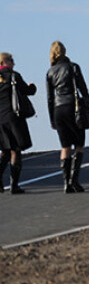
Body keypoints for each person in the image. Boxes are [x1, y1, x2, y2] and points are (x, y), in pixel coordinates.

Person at [46, 41, 89, 193]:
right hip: (74, 107)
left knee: (65, 146)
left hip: (58, 109)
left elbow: (49, 97)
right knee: (79, 144)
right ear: (64, 51)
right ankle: (74, 180)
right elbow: (82, 87)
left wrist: (51, 118)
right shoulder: (73, 67)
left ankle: (66, 183)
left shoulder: (50, 71)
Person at [0, 53, 37, 194]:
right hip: (13, 117)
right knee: (16, 149)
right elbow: (28, 91)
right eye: (12, 60)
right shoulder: (13, 76)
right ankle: (14, 185)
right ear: (5, 62)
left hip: (0, 119)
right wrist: (32, 86)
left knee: (5, 149)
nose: (14, 63)